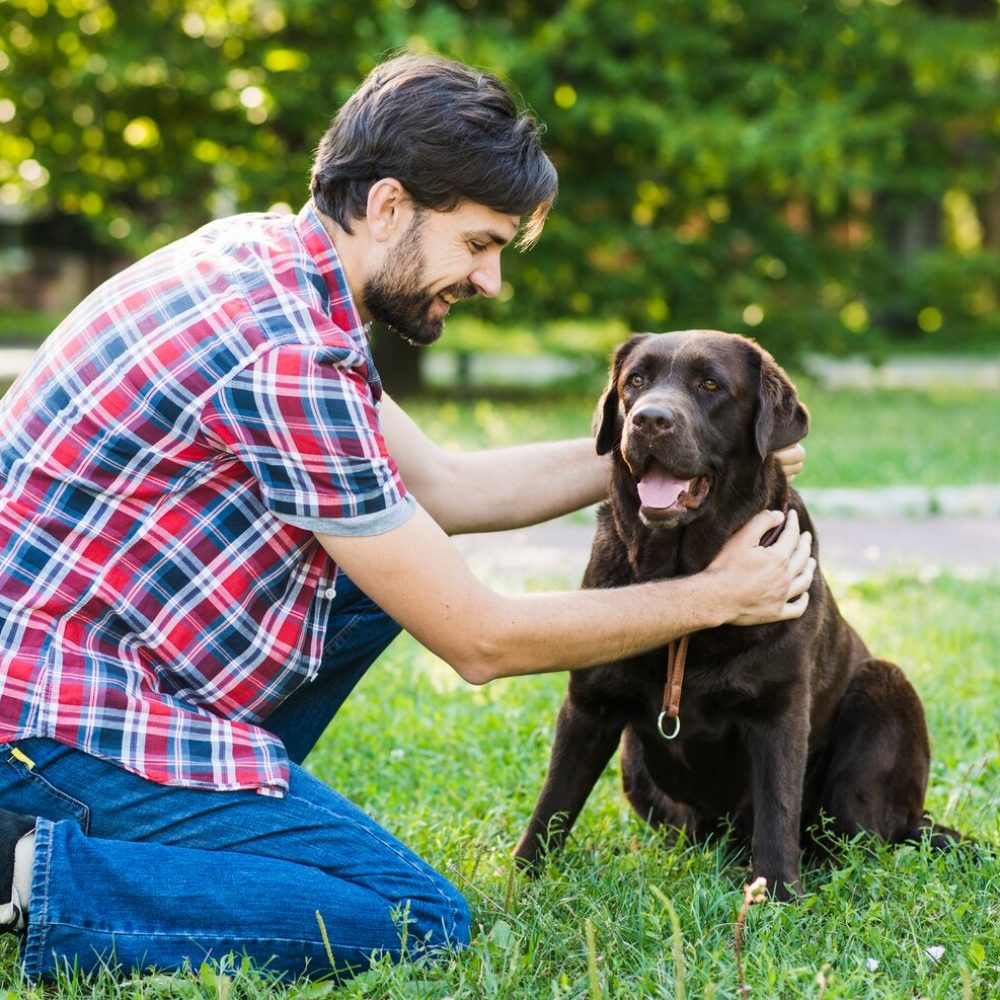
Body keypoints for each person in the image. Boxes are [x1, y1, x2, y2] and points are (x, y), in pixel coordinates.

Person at [0, 51, 813, 982]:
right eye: (478, 245)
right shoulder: (287, 357)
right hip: (45, 725)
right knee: (415, 917)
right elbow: (481, 641)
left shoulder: (266, 262)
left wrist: (663, 450)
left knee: (393, 556)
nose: (491, 281)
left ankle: (216, 815)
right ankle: (27, 867)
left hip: (87, 672)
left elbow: (449, 489)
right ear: (389, 206)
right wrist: (719, 595)